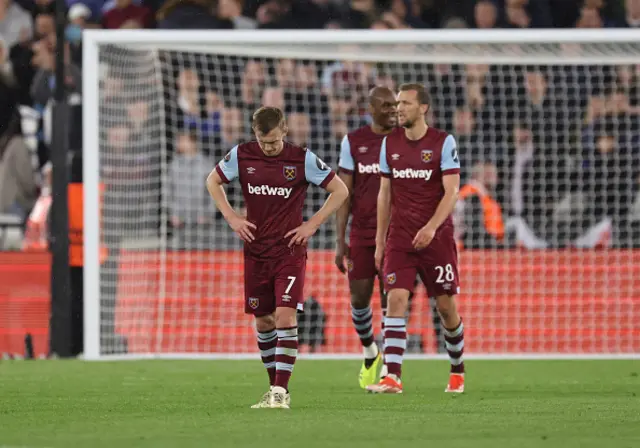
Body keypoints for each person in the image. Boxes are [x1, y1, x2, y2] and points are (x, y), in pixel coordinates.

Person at [207, 106, 348, 409]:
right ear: (254, 133)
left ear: (284, 130)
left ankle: (281, 393)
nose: (268, 148)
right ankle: (274, 389)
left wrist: (312, 224)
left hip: (289, 251)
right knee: (264, 321)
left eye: (273, 142)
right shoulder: (243, 155)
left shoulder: (302, 158)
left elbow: (340, 190)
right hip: (256, 252)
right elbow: (212, 181)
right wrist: (232, 217)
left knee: (285, 316)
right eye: (262, 141)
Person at [368, 83, 465, 394]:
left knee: (446, 308)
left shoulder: (442, 142)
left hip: (436, 238)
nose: (399, 108)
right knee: (395, 299)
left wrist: (432, 227)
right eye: (398, 103)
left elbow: (451, 192)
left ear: (423, 108)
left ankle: (457, 368)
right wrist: (380, 241)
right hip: (400, 238)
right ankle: (392, 376)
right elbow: (385, 195)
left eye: (406, 103)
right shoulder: (389, 144)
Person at [334, 86, 397, 389]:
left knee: (392, 302)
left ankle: (390, 370)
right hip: (361, 234)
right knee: (359, 300)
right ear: (370, 108)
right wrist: (339, 240)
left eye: (394, 105)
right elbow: (343, 193)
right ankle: (371, 351)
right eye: (385, 105)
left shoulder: (404, 140)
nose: (392, 110)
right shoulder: (354, 142)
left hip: (396, 235)